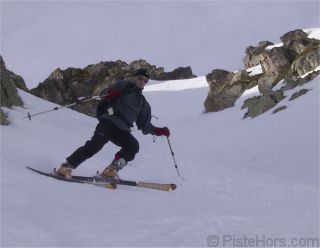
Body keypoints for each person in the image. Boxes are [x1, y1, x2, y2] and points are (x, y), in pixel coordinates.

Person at [55, 68, 170, 179]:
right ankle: (66, 167)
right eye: (140, 78)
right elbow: (103, 93)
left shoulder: (143, 103)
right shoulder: (123, 85)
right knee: (95, 145)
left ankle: (111, 170)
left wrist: (158, 131)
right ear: (134, 77)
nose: (142, 81)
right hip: (109, 122)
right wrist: (110, 93)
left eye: (145, 80)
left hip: (122, 129)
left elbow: (145, 124)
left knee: (133, 146)